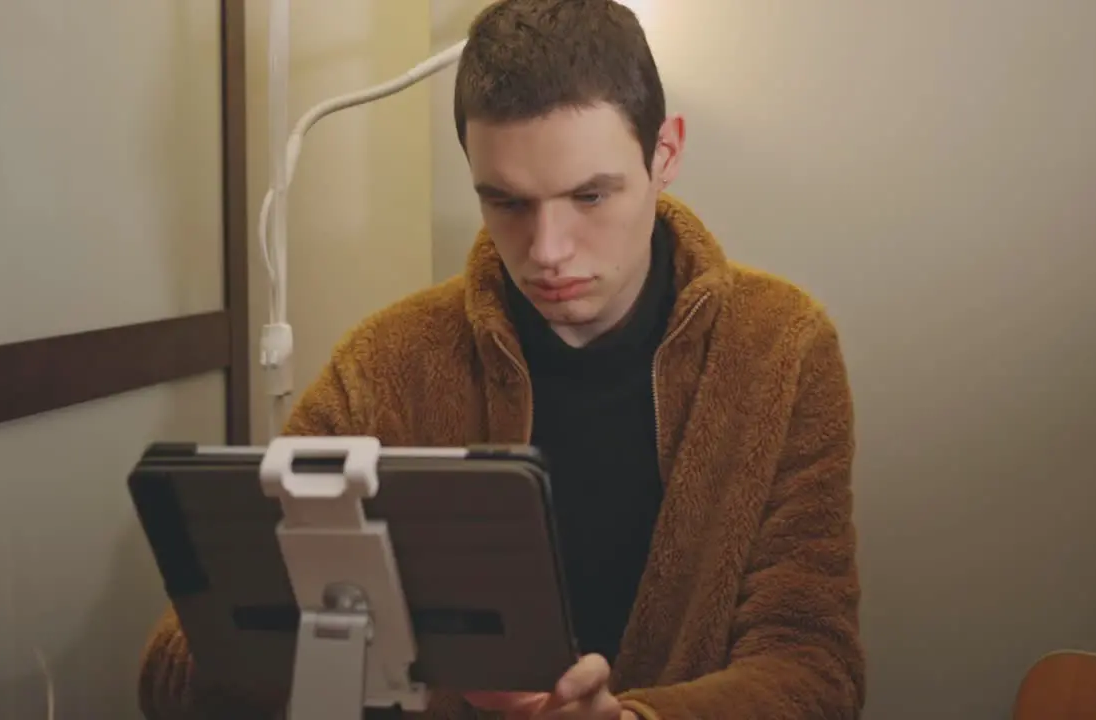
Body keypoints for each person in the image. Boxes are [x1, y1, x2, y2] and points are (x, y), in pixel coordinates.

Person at [137, 0, 865, 718]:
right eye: (507, 203)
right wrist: (412, 675)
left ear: (664, 154)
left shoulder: (781, 347)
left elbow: (812, 666)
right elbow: (178, 666)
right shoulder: (387, 361)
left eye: (588, 195)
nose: (547, 252)